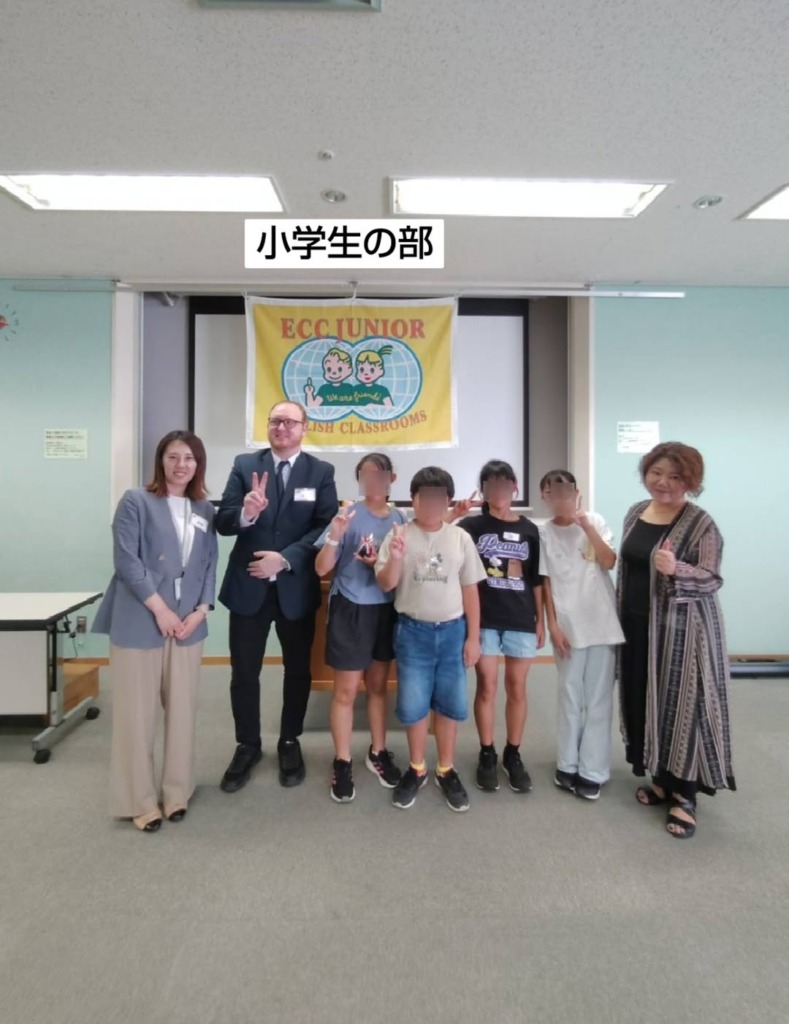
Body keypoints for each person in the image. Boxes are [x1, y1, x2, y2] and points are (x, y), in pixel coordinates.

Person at [93, 430, 218, 832]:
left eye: (189, 458)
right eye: (173, 456)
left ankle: (177, 792)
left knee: (182, 713)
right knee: (136, 716)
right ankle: (140, 801)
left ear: (198, 465)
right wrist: (160, 609)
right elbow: (126, 560)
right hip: (142, 618)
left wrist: (202, 610)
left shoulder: (204, 508)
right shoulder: (136, 501)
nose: (181, 465)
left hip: (187, 624)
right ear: (160, 460)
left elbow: (209, 562)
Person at [215, 400, 338, 792]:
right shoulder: (244, 465)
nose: (282, 427)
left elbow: (325, 526)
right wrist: (247, 513)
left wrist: (284, 560)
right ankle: (247, 745)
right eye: (275, 421)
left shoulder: (320, 471)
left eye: (290, 422)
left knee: (297, 670)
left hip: (294, 586)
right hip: (248, 585)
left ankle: (289, 740)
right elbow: (223, 522)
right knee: (244, 672)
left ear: (304, 428)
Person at [617, 442, 735, 839]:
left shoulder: (701, 524)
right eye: (656, 473)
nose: (663, 482)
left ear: (691, 481)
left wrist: (676, 568)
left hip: (683, 634)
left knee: (682, 707)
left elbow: (712, 577)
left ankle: (685, 796)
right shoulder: (636, 511)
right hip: (637, 626)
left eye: (675, 476)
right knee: (645, 700)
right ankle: (661, 779)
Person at [376, 467, 486, 812]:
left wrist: (473, 638)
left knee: (450, 705)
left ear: (448, 500)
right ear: (414, 499)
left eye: (440, 497)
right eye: (425, 496)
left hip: (453, 632)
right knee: (414, 706)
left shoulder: (460, 537)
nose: (432, 503)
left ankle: (446, 770)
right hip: (413, 633)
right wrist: (396, 558)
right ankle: (417, 768)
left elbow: (470, 590)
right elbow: (385, 584)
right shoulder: (399, 535)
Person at [314, 453, 405, 803]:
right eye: (366, 475)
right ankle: (342, 760)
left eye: (380, 475)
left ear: (392, 479)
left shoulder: (399, 519)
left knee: (379, 686)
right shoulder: (347, 515)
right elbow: (321, 568)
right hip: (351, 609)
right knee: (346, 691)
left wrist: (379, 563)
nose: (373, 481)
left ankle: (378, 752)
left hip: (386, 610)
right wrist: (335, 537)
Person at [457, 460, 543, 794]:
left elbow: (536, 580)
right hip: (485, 619)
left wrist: (540, 622)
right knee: (487, 686)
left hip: (520, 617)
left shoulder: (529, 529)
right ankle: (487, 752)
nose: (499, 491)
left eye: (504, 485)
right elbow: (441, 537)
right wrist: (455, 512)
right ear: (483, 491)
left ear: (515, 488)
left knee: (517, 687)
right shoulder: (471, 525)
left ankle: (513, 753)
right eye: (491, 485)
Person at [539, 470, 624, 801]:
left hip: (601, 623)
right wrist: (553, 625)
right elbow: (545, 582)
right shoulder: (542, 532)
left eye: (566, 491)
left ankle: (593, 770)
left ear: (576, 493)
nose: (560, 498)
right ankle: (567, 764)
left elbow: (609, 561)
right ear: (545, 497)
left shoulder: (595, 521)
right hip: (567, 627)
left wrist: (586, 525)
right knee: (569, 696)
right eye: (552, 492)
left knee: (598, 699)